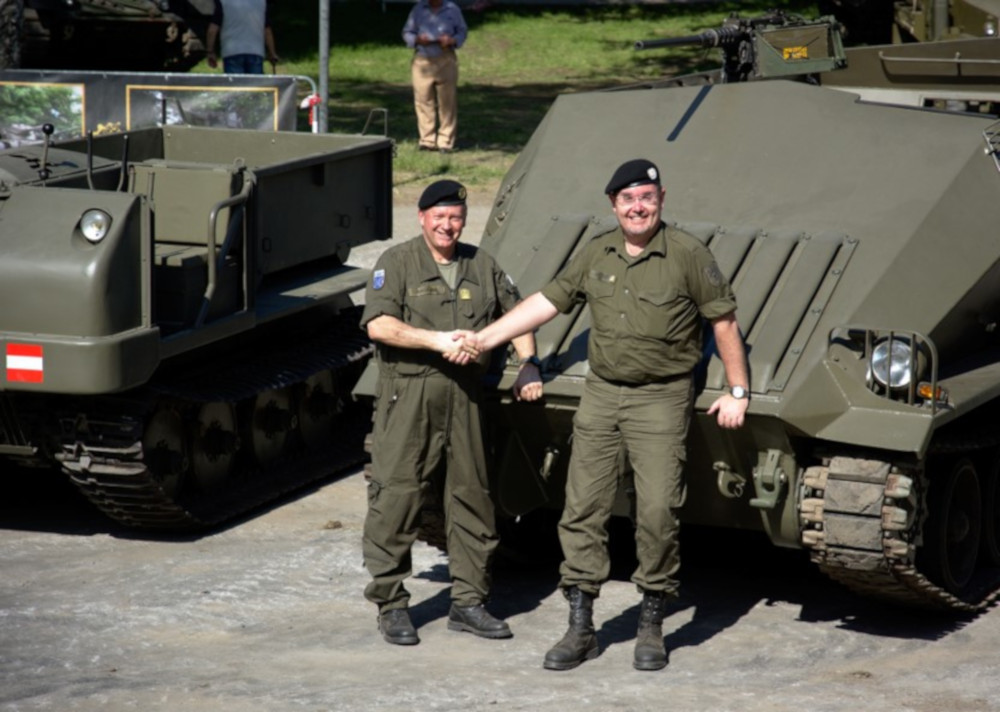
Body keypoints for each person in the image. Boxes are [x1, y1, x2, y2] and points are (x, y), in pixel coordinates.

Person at [469, 158, 750, 671]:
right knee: (582, 509)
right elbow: (547, 302)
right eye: (627, 199)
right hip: (603, 394)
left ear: (661, 199)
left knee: (659, 510)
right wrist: (488, 338)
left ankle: (651, 620)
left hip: (661, 397)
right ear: (614, 205)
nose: (637, 207)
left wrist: (737, 389)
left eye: (646, 197)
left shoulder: (688, 253)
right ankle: (581, 626)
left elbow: (724, 323)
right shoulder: (597, 251)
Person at [360, 179, 543, 646]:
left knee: (471, 499)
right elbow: (380, 324)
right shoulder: (397, 262)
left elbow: (518, 311)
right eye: (438, 216)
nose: (447, 225)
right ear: (422, 217)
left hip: (464, 399)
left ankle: (468, 602)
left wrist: (528, 364)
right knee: (397, 496)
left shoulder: (480, 263)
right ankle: (392, 604)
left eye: (455, 217)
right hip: (409, 397)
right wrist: (438, 340)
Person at [402, 0, 467, 153]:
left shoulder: (452, 9)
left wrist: (452, 40)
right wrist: (417, 39)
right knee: (423, 100)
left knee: (447, 102)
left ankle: (446, 141)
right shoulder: (418, 9)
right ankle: (427, 140)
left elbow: (462, 31)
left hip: (446, 58)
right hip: (422, 59)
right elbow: (407, 32)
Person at [205, 0, 279, 75]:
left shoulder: (224, 2)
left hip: (232, 52)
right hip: (256, 51)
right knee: (255, 85)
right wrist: (272, 53)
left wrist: (210, 51)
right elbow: (267, 31)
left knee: (235, 85)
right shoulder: (261, 2)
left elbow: (212, 29)